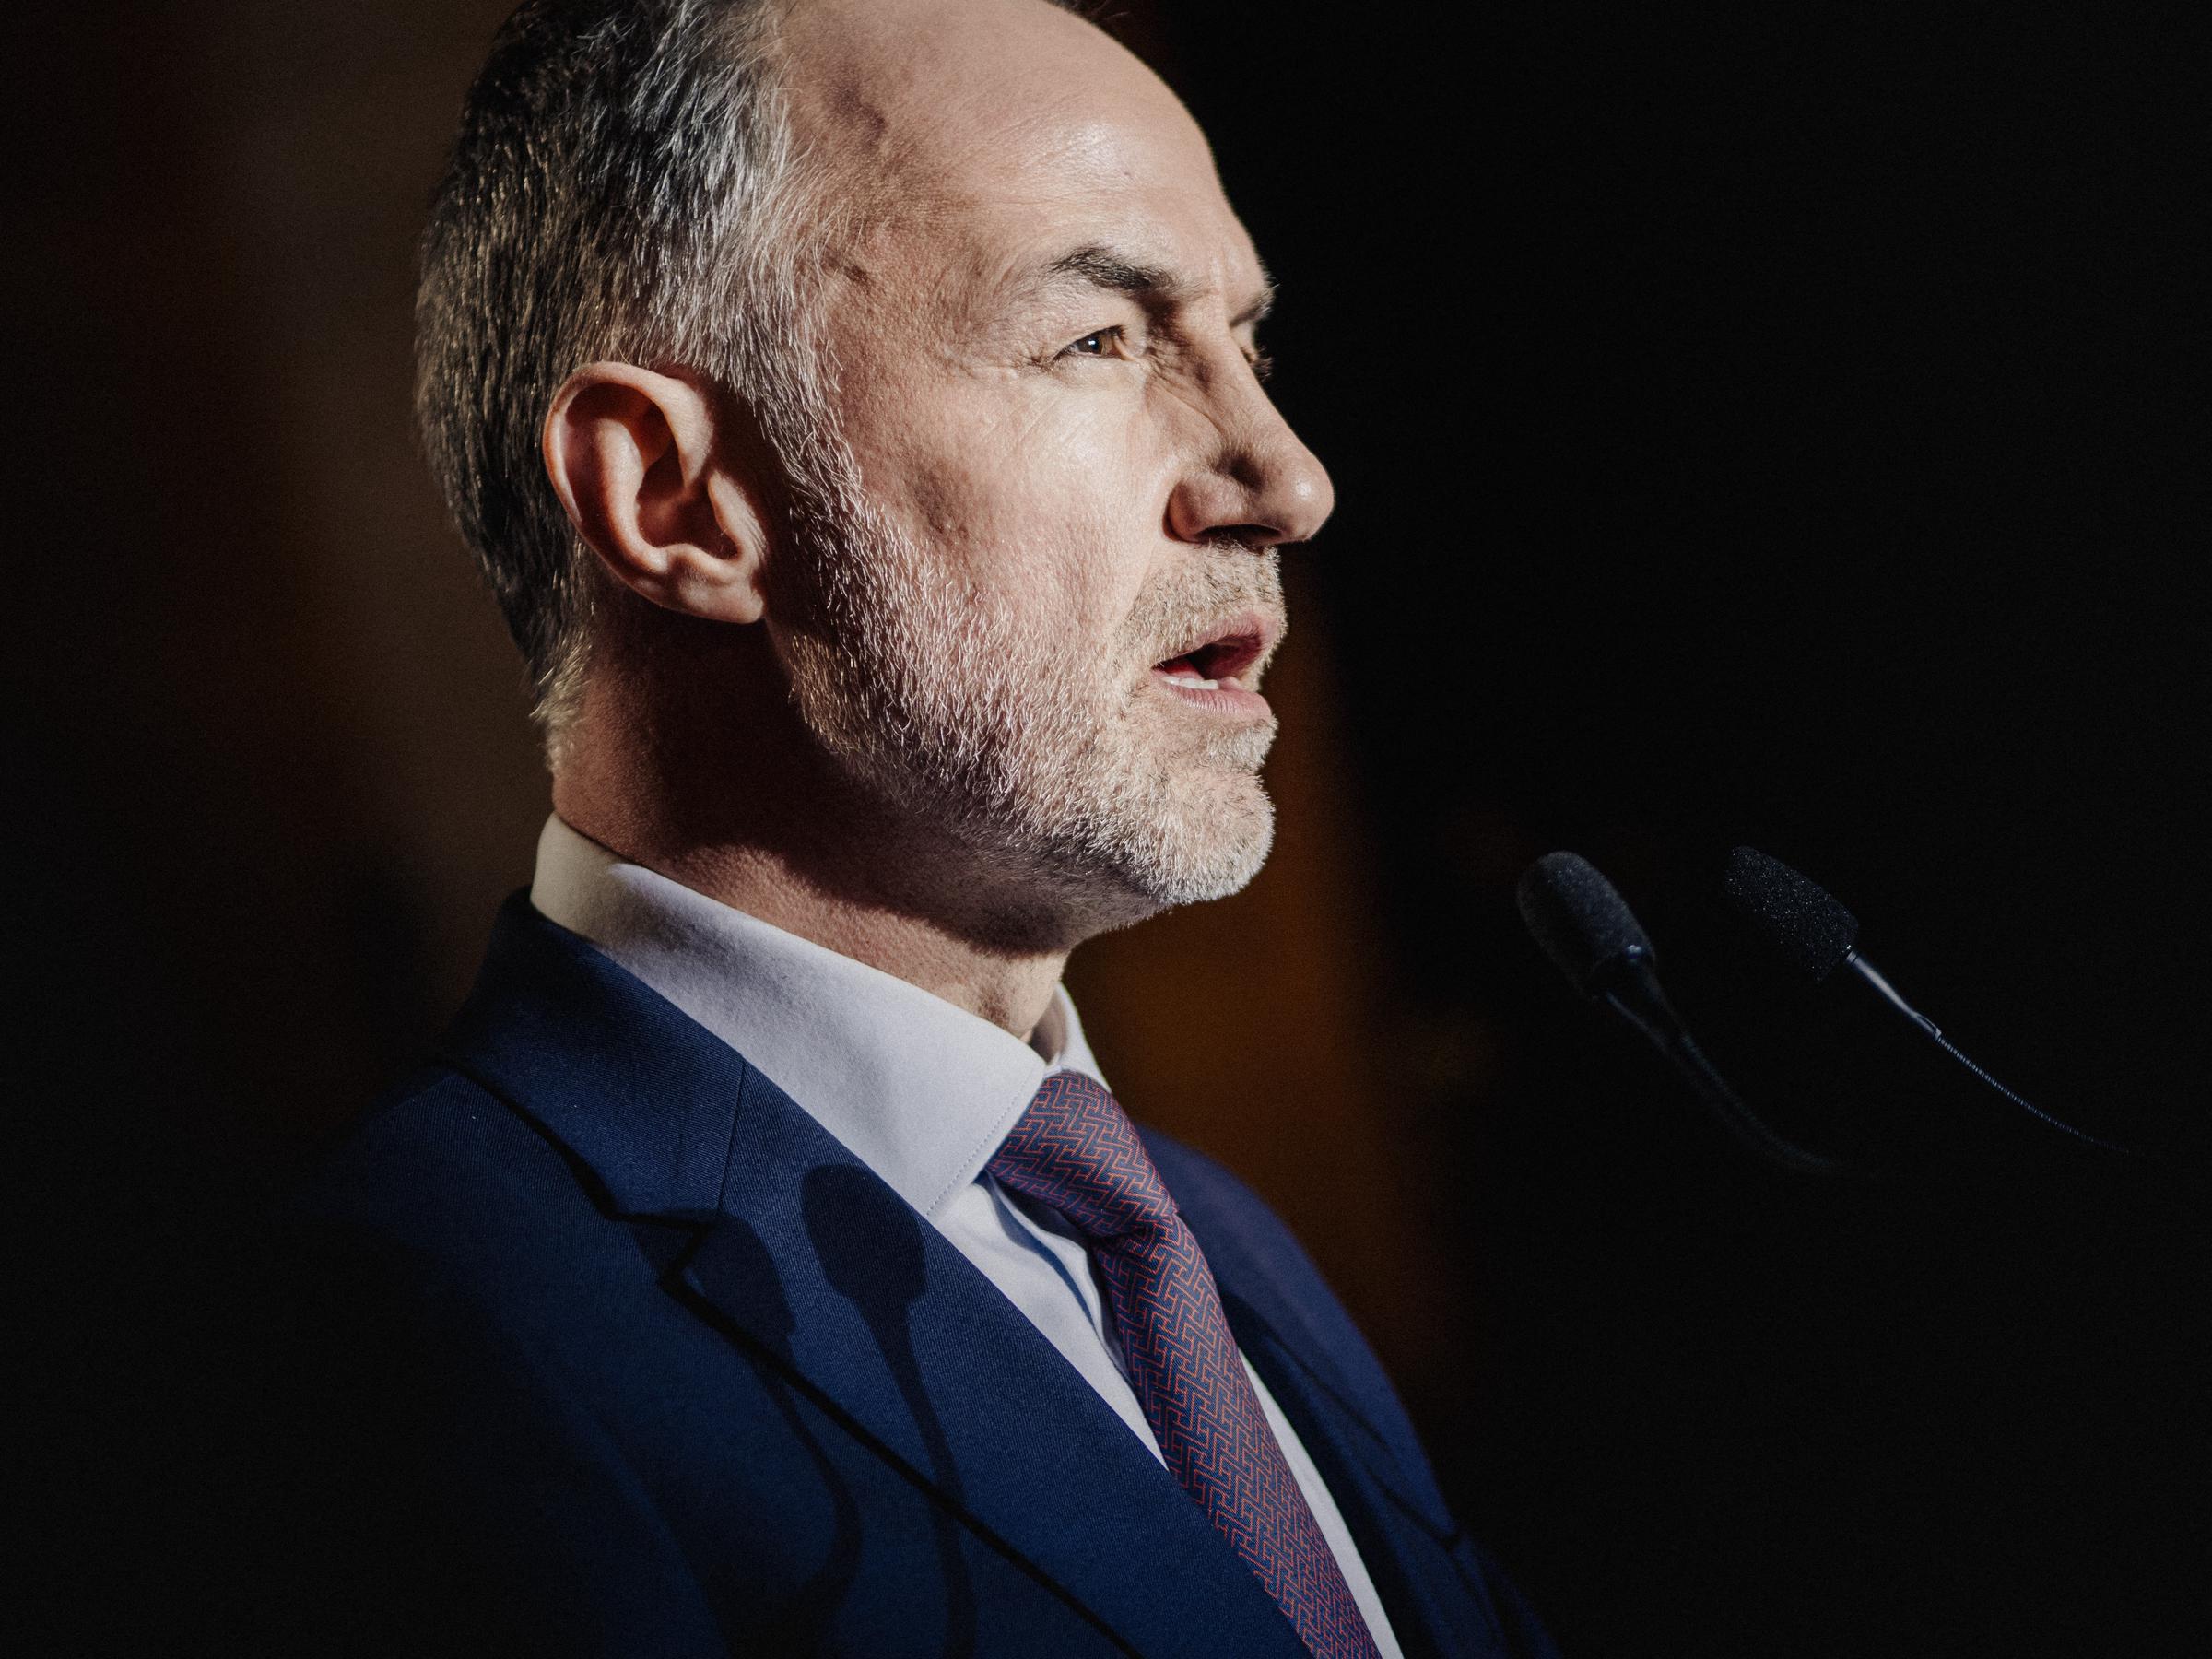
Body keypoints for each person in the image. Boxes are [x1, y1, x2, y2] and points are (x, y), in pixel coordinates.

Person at [250, 1, 1561, 1653]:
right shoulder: (436, 1322)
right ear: (676, 497)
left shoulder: (1215, 1240)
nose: (1287, 480)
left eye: (1250, 344)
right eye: (1101, 340)